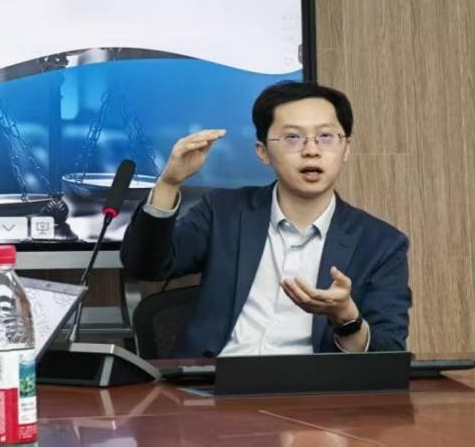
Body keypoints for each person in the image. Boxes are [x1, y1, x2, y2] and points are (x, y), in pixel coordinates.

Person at [120, 81, 410, 358]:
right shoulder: (223, 212)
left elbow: (388, 353)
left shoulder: (381, 244)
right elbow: (145, 266)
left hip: (316, 386)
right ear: (263, 152)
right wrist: (169, 184)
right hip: (215, 380)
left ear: (346, 148)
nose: (311, 150)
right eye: (292, 137)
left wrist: (346, 317)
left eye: (325, 137)